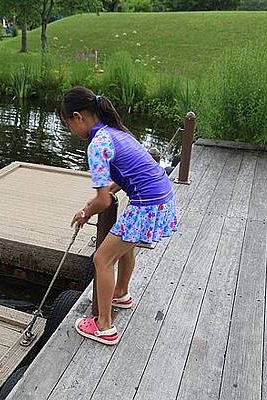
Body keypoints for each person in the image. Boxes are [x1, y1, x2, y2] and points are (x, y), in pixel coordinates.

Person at [60, 86, 178, 345]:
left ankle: (104, 326)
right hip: (162, 198)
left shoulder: (96, 144)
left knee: (102, 258)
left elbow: (102, 201)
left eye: (69, 125)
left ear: (78, 117)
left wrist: (84, 212)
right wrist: (107, 193)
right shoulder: (116, 132)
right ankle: (121, 293)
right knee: (126, 245)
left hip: (146, 204)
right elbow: (128, 174)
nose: (72, 131)